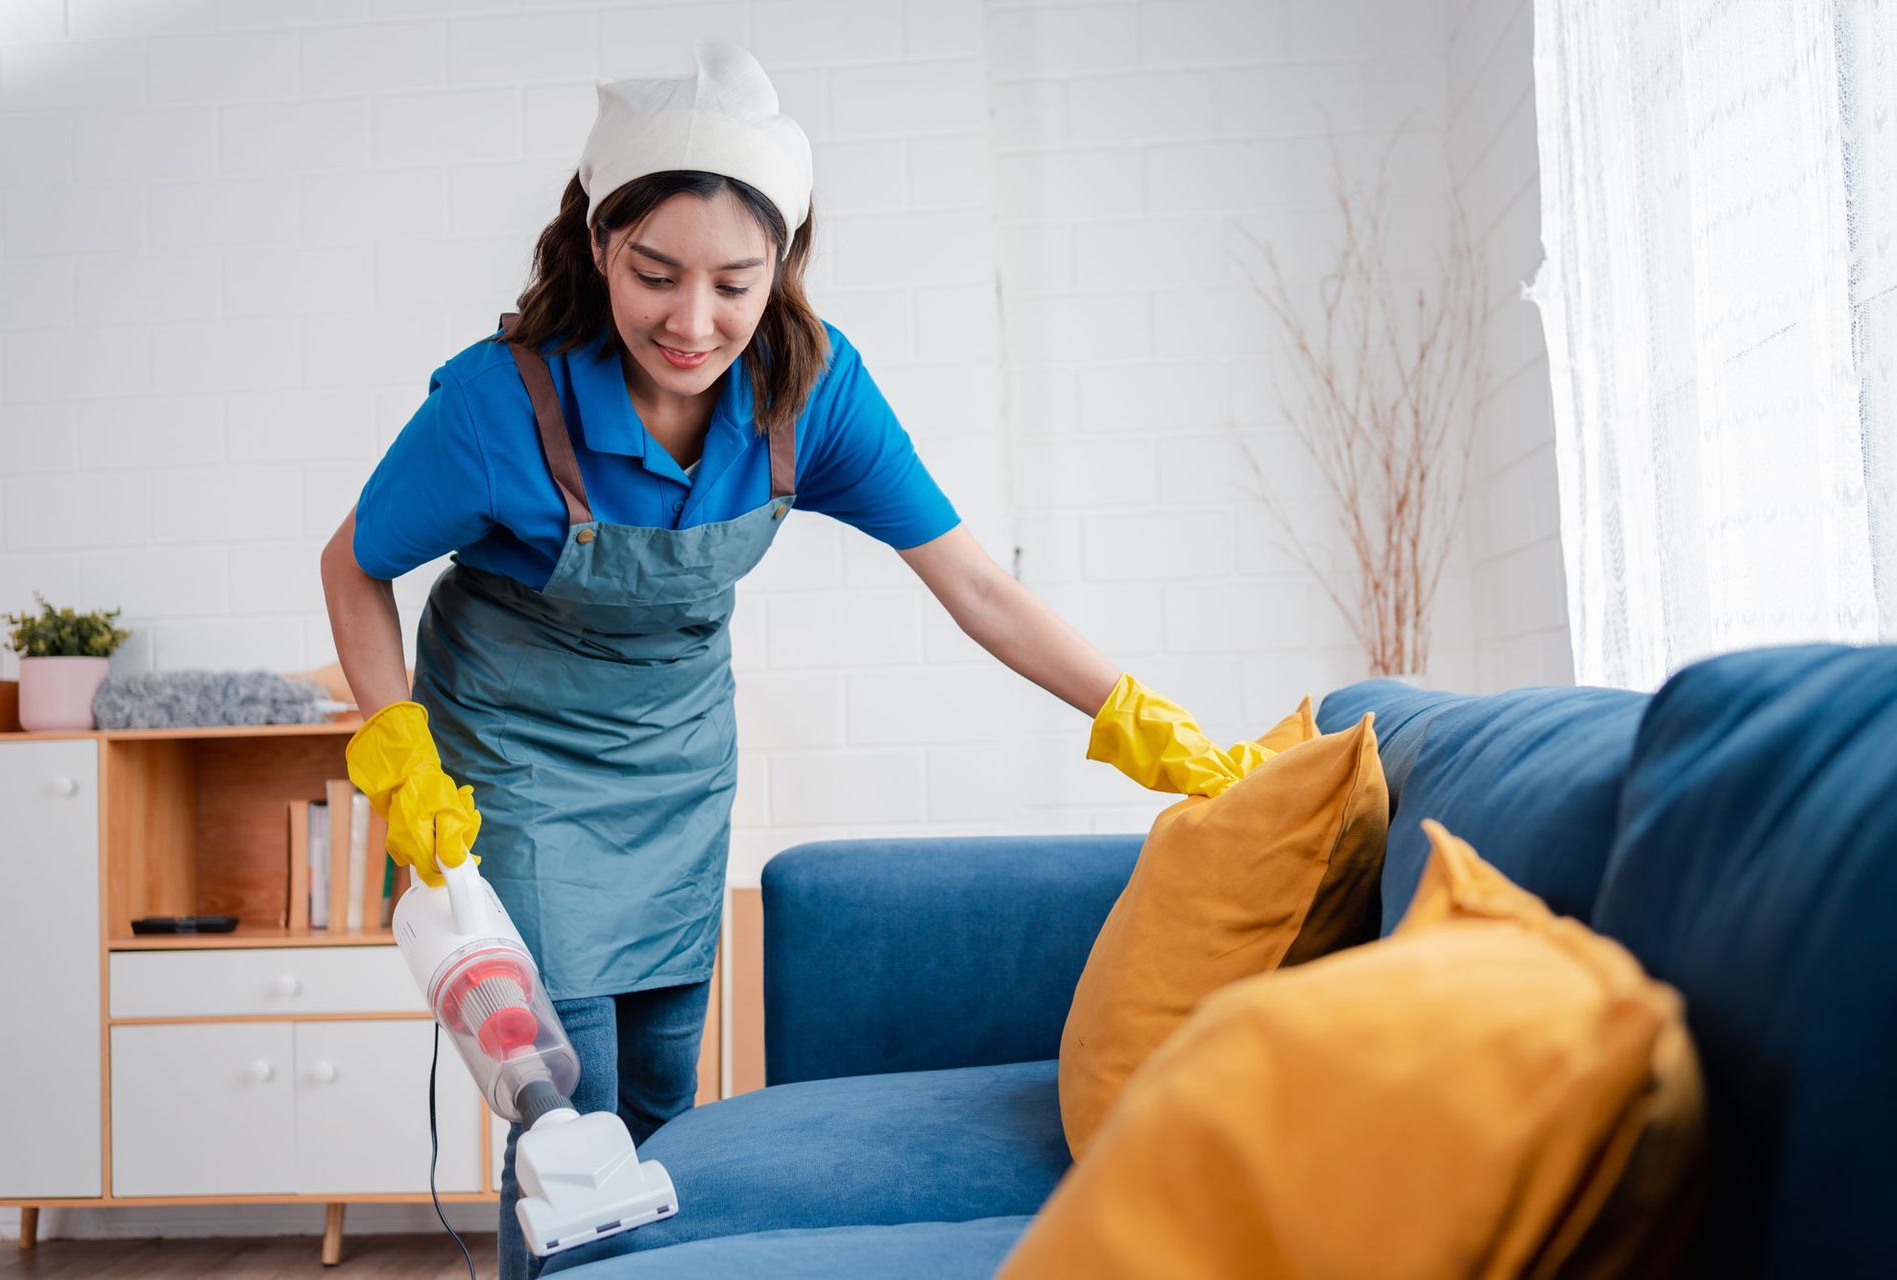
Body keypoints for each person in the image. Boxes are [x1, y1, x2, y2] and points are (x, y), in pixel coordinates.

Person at [318, 43, 1262, 1280]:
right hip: (515, 767)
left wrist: (1151, 727)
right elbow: (353, 562)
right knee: (571, 1108)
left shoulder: (808, 392)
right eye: (655, 273)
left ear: (784, 269)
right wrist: (403, 758)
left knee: (664, 1092)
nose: (692, 322)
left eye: (735, 282)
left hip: (674, 767)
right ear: (599, 244)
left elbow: (975, 583)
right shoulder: (501, 405)